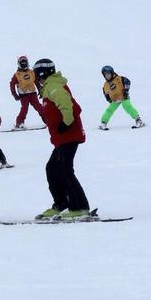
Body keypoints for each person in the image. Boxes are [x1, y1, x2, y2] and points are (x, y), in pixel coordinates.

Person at [32, 59, 90, 220]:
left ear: (42, 73)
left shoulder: (53, 86)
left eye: (36, 74)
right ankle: (61, 203)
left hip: (68, 135)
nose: (36, 78)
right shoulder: (49, 87)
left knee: (64, 170)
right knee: (52, 168)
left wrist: (66, 122)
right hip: (62, 138)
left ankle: (79, 207)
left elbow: (67, 105)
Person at [99, 65, 145, 130]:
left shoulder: (119, 78)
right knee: (109, 110)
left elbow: (127, 82)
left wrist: (126, 91)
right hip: (115, 99)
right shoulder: (106, 84)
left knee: (127, 106)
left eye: (108, 74)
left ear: (112, 73)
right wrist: (108, 98)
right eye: (105, 75)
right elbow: (105, 92)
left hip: (123, 96)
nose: (107, 76)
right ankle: (103, 122)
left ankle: (138, 120)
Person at [9, 55, 43, 129]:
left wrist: (40, 90)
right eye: (22, 63)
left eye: (25, 62)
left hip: (32, 93)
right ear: (19, 64)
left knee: (38, 106)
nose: (24, 64)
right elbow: (12, 84)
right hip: (23, 94)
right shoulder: (17, 75)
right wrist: (14, 94)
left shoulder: (32, 72)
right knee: (24, 108)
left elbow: (36, 82)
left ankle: (47, 119)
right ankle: (19, 123)